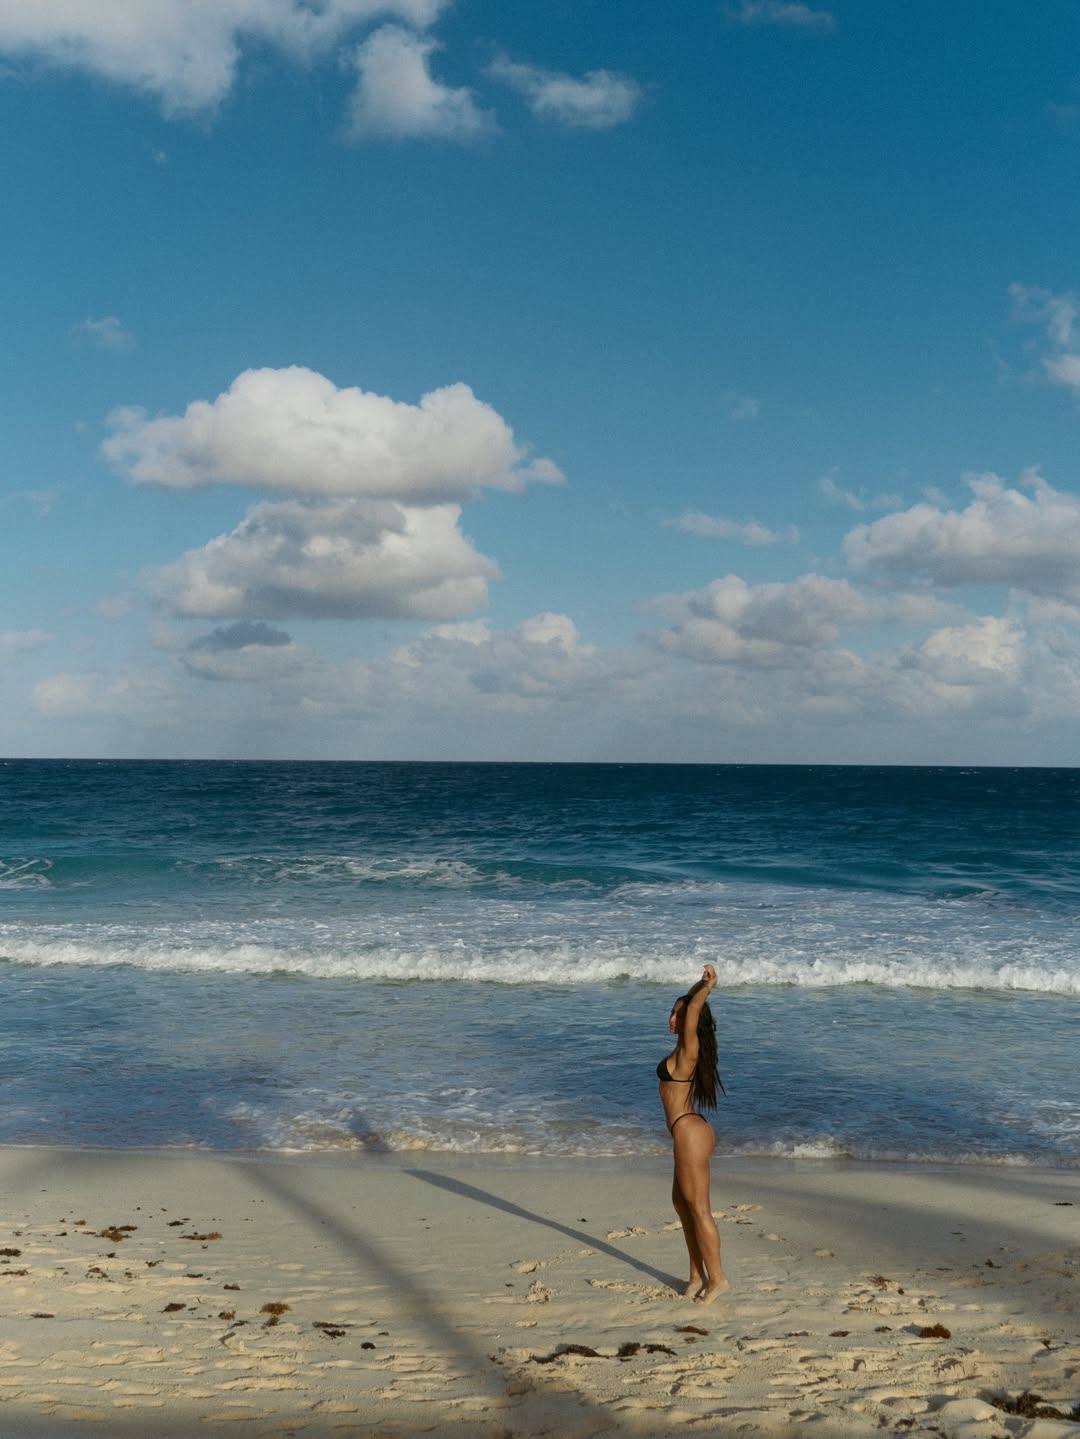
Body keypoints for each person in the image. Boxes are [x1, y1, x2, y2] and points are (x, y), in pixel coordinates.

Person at [656, 963, 728, 1302]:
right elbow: (690, 1002)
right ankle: (696, 1275)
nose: (672, 1019)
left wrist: (707, 988)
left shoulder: (689, 1049)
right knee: (681, 1205)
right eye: (671, 1013)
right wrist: (699, 982)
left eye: (678, 1016)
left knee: (699, 1209)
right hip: (685, 1130)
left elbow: (694, 1007)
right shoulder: (681, 1051)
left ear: (690, 1024)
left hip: (689, 1132)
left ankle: (718, 1280)